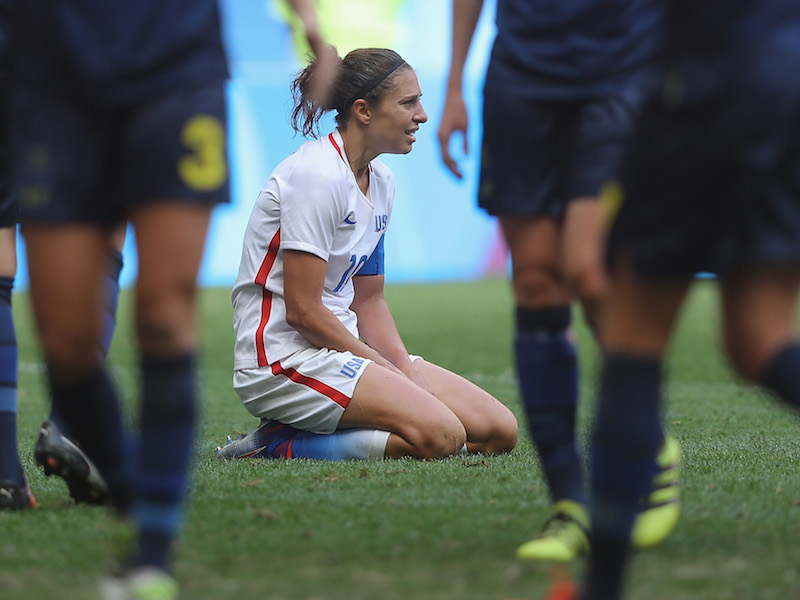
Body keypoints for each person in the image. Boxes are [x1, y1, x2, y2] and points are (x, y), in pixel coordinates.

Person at [5, 1, 333, 597]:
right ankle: (136, 498)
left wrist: (307, 22)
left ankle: (150, 560)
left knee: (163, 312)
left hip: (174, 65)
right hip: (50, 72)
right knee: (67, 344)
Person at [573, 1, 800, 598]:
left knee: (633, 337)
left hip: (705, 81)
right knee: (761, 342)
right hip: (788, 76)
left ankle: (601, 588)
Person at [437, 0, 678, 562]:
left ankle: (648, 438)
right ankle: (569, 505)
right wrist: (453, 85)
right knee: (537, 284)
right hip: (522, 75)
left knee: (588, 270)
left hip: (620, 70)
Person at [217, 47, 518, 462]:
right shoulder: (317, 177)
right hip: (282, 360)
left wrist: (405, 373)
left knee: (498, 431)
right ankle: (278, 442)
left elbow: (369, 300)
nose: (423, 116)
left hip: (338, 352)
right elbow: (304, 312)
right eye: (408, 103)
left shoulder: (382, 181)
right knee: (441, 436)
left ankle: (334, 419)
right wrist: (387, 371)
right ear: (363, 111)